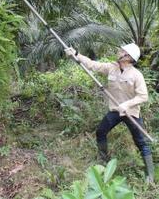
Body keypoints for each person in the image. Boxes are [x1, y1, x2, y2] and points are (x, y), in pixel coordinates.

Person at [64, 43, 154, 184]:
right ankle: (103, 161)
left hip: (131, 113)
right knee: (101, 131)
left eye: (122, 50)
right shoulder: (111, 68)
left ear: (128, 57)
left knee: (141, 142)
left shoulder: (137, 75)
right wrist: (76, 54)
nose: (119, 51)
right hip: (115, 111)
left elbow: (143, 96)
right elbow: (93, 65)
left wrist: (127, 104)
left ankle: (150, 176)